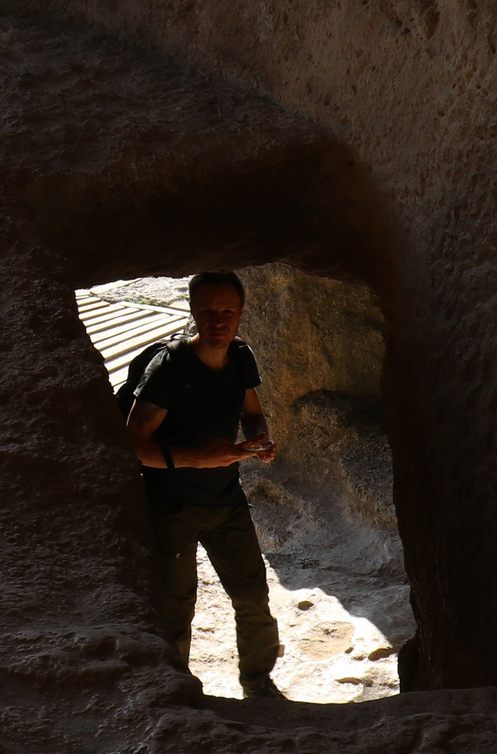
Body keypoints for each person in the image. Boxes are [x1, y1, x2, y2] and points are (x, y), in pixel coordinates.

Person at [124, 270, 281, 693]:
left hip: (225, 500)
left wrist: (257, 439)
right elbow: (132, 442)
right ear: (193, 311)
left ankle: (258, 681)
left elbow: (251, 410)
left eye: (227, 310)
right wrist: (201, 459)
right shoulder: (170, 368)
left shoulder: (241, 358)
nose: (218, 320)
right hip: (170, 506)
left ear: (241, 313)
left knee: (253, 598)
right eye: (208, 311)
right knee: (176, 608)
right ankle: (175, 689)